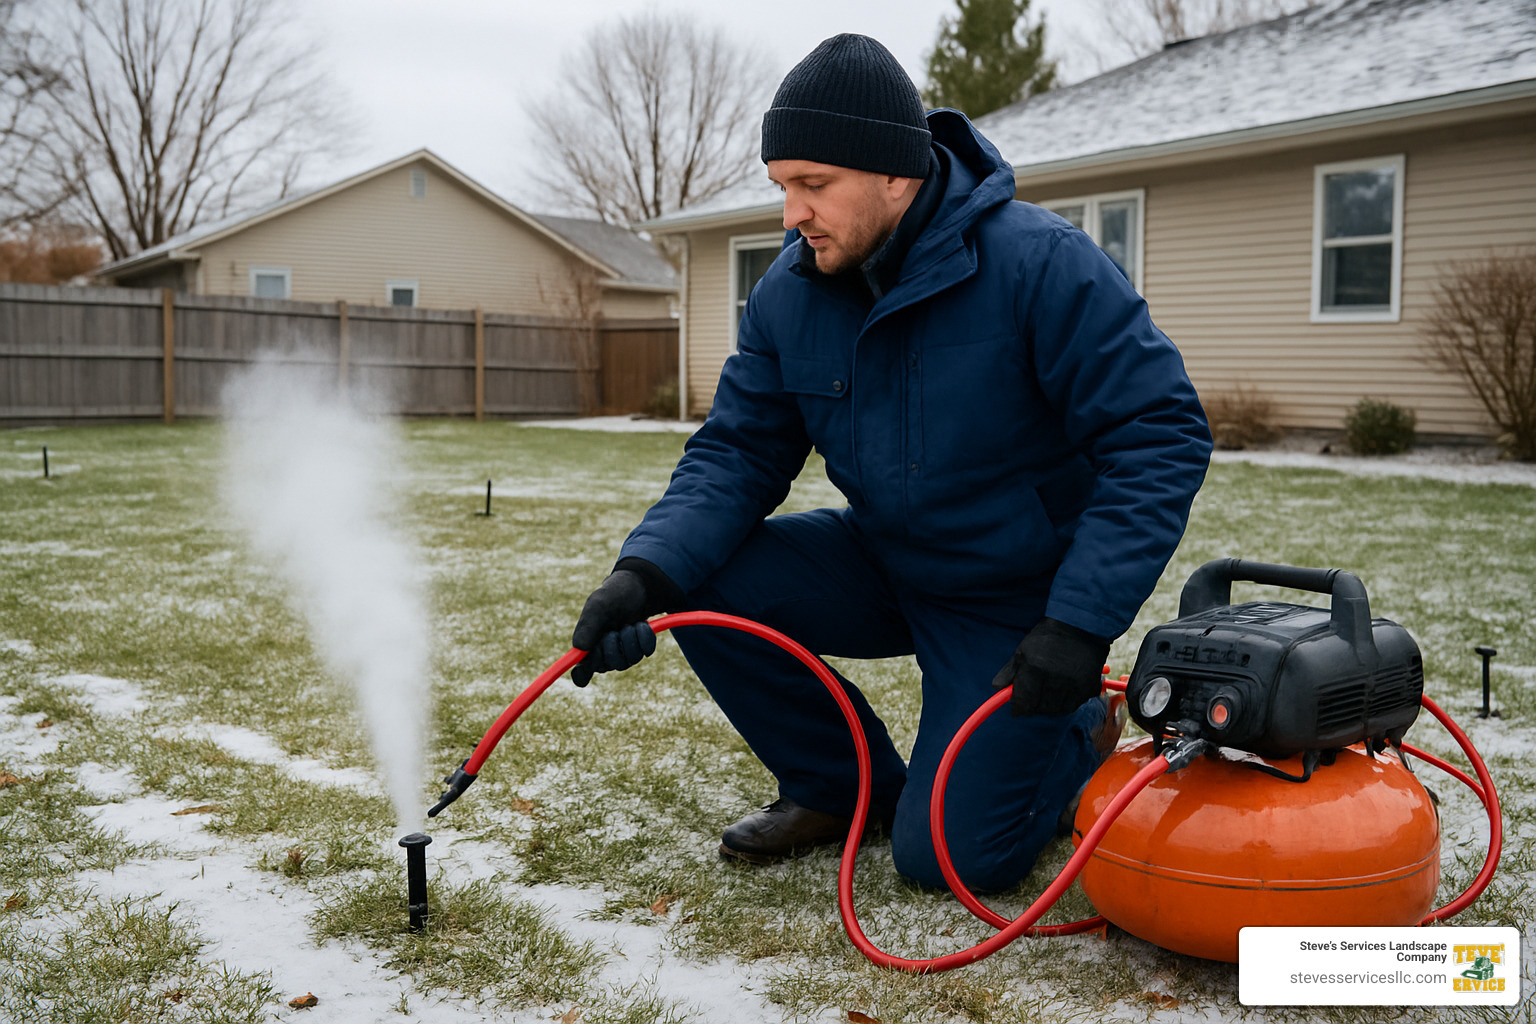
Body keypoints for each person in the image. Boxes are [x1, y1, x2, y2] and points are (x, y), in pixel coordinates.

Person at [570, 33, 1211, 893]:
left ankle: (1076, 730)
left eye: (813, 185)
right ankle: (844, 789)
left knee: (950, 860)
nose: (790, 214)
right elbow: (737, 451)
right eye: (782, 186)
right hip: (883, 558)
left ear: (895, 176)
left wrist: (1077, 626)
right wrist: (644, 574)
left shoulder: (1038, 263)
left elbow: (1159, 431)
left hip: (1012, 602)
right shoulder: (789, 296)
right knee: (700, 581)